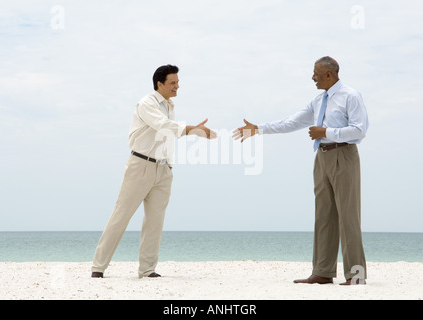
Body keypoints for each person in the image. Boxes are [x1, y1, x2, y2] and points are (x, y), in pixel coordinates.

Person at [233, 56, 368, 285]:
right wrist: (259, 129)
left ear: (329, 74)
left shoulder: (351, 96)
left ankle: (356, 276)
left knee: (348, 217)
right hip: (322, 157)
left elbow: (359, 130)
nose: (312, 77)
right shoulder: (318, 100)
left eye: (316, 73)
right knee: (323, 216)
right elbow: (291, 122)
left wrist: (326, 132)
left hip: (344, 156)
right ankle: (323, 272)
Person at [91, 64, 216, 278]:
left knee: (155, 221)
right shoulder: (146, 103)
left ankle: (147, 270)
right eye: (173, 83)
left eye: (178, 82)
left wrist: (168, 165)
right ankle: (98, 267)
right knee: (121, 216)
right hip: (140, 166)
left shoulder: (169, 105)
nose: (178, 86)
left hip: (163, 170)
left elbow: (166, 133)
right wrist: (192, 130)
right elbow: (162, 125)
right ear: (160, 84)